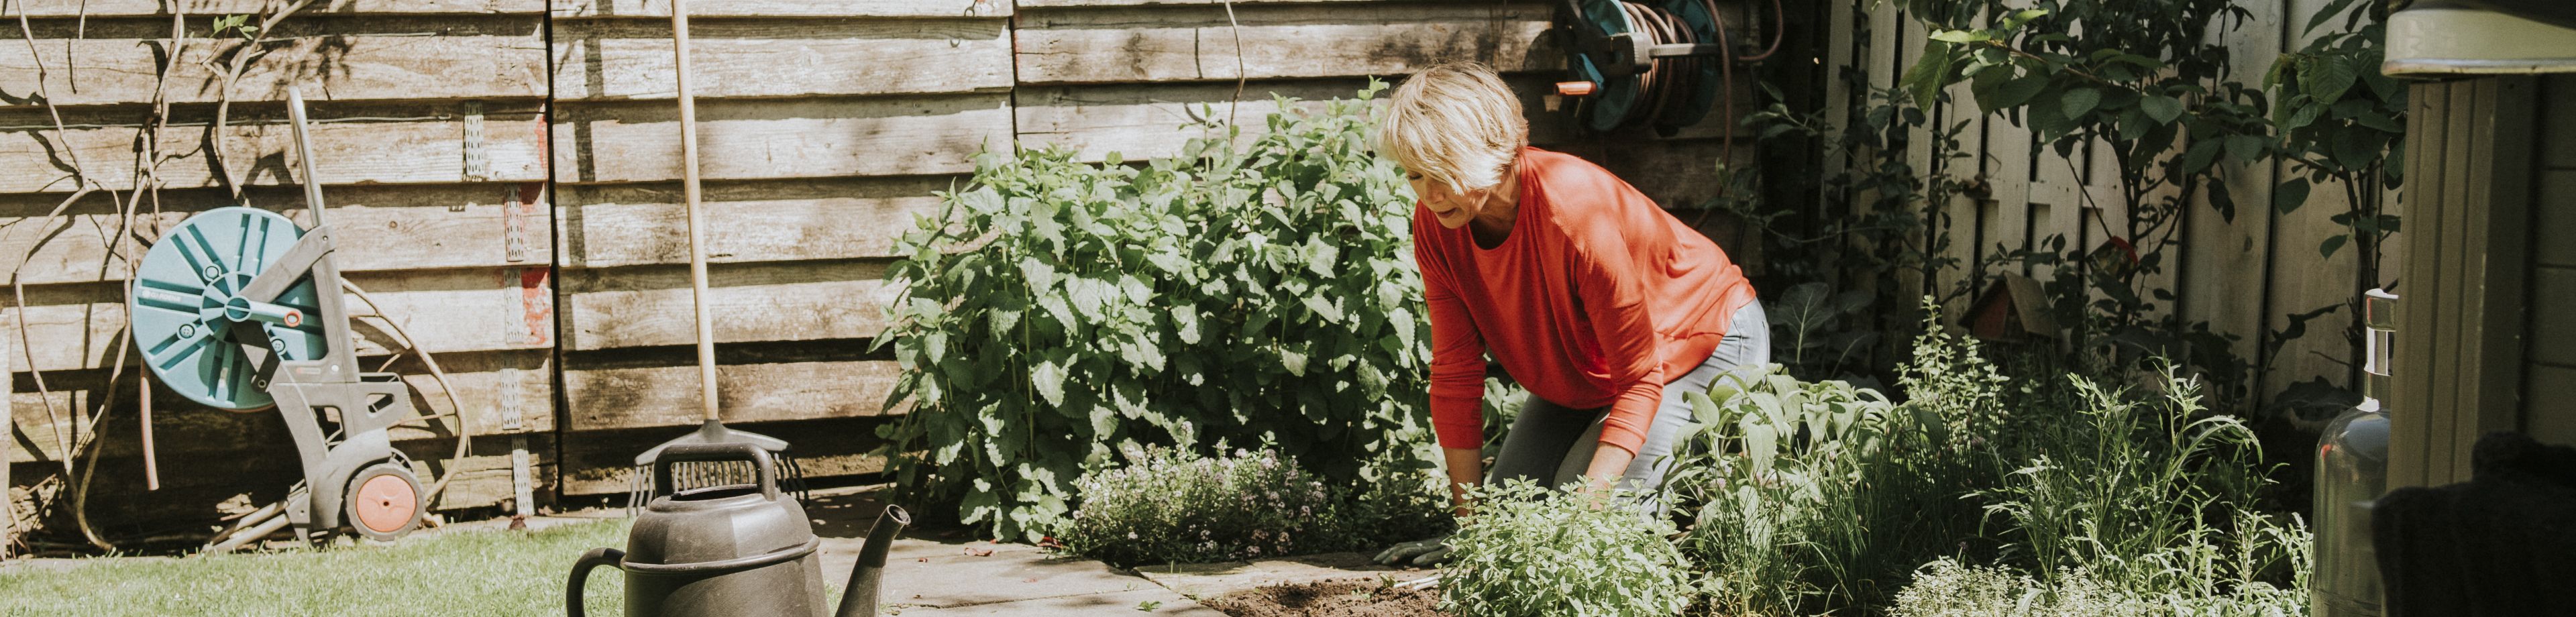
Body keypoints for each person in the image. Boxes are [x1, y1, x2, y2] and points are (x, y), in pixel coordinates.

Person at [1369, 62, 1770, 566]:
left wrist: (1587, 508)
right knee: (1506, 521)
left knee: (1573, 527)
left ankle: (1719, 498)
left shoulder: (1573, 211)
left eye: (1443, 172)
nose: (1429, 195)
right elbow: (1456, 373)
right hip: (1597, 364)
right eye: (1415, 175)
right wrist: (1472, 533)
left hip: (1703, 336)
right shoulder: (1436, 225)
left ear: (1492, 149)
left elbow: (1642, 377)